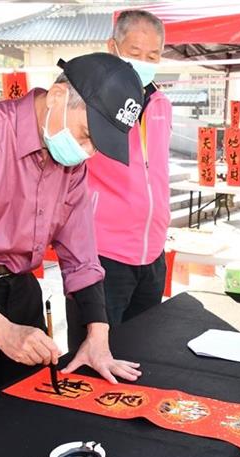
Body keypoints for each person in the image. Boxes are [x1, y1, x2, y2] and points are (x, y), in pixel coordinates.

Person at [0, 54, 145, 417]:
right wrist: (3, 333)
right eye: (87, 135)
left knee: (28, 416)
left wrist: (98, 337)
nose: (87, 152)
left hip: (18, 290)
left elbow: (80, 252)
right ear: (59, 96)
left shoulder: (72, 163)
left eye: (99, 146)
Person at [66, 10, 172, 353]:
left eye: (152, 56)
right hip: (102, 253)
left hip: (152, 253)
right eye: (134, 52)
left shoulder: (161, 104)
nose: (143, 62)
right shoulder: (88, 98)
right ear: (113, 47)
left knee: (143, 352)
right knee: (93, 356)